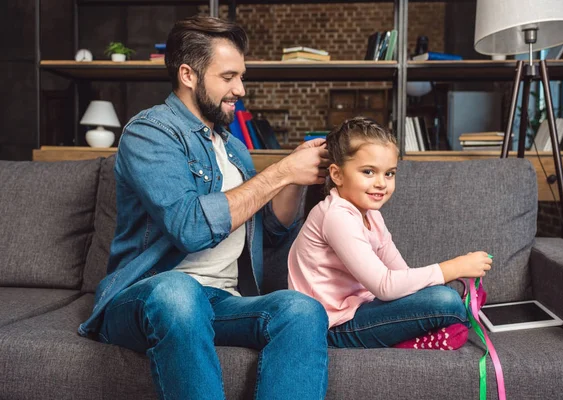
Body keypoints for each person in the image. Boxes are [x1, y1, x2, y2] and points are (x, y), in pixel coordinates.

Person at [78, 14, 331, 400]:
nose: (241, 89)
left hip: (221, 300)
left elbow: (273, 230)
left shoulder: (233, 148)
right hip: (147, 297)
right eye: (228, 77)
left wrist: (294, 179)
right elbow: (191, 228)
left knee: (302, 311)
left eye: (241, 76)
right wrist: (279, 173)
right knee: (180, 292)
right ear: (188, 75)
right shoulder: (149, 132)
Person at [288, 117, 493, 350]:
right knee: (444, 300)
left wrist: (445, 280)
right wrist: (454, 267)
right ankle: (434, 327)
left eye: (389, 174)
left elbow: (401, 274)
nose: (381, 183)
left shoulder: (371, 215)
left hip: (360, 309)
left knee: (441, 293)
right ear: (337, 174)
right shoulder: (336, 216)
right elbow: (385, 285)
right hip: (331, 327)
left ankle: (445, 319)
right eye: (368, 172)